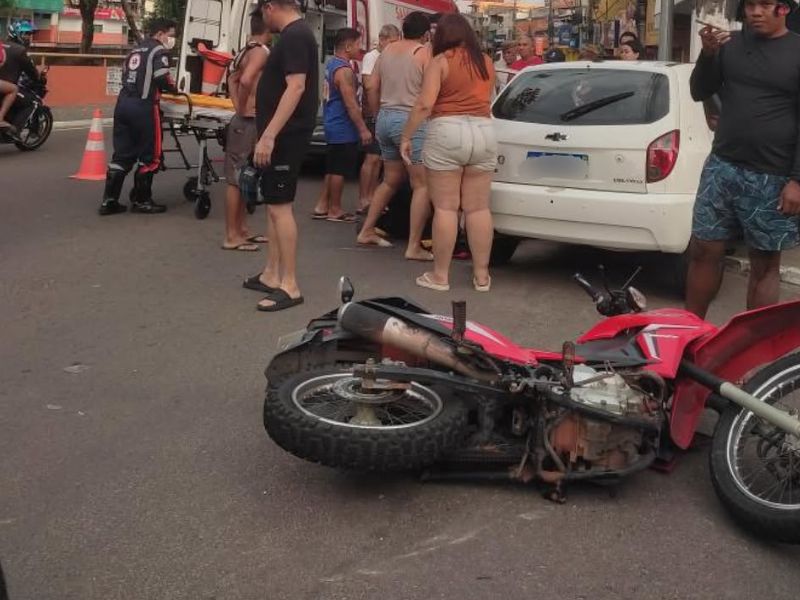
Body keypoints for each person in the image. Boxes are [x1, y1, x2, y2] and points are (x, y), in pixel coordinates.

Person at [686, 0, 800, 318]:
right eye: (750, 4)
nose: (755, 12)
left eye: (765, 4)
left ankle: (752, 352)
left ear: (785, 9)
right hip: (722, 167)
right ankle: (691, 338)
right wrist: (707, 54)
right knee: (703, 250)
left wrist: (797, 180)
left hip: (773, 176)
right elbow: (699, 90)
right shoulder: (729, 45)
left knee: (764, 262)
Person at [400, 13, 496, 292]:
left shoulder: (440, 62)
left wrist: (407, 136)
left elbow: (424, 105)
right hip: (483, 131)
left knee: (446, 207)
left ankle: (440, 276)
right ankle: (481, 275)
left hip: (447, 130)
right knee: (478, 207)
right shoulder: (486, 63)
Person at [244, 0, 318, 312]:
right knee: (274, 207)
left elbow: (296, 87)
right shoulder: (294, 35)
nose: (263, 20)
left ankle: (290, 284)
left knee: (280, 208)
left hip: (285, 136)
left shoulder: (295, 35)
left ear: (271, 6)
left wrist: (270, 134)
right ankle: (272, 273)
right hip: (281, 135)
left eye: (262, 12)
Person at [356, 11, 433, 262]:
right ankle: (414, 245)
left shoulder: (386, 51)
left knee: (389, 180)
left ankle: (367, 229)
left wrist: (378, 113)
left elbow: (370, 85)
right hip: (410, 120)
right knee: (421, 185)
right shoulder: (424, 53)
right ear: (426, 34)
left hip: (385, 118)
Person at [98, 18, 178, 216]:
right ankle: (142, 200)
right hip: (144, 108)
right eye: (171, 35)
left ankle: (109, 201)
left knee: (122, 155)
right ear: (160, 34)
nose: (171, 39)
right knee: (150, 155)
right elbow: (162, 77)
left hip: (123, 105)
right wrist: (174, 89)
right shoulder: (158, 50)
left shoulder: (133, 51)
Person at [312, 27, 372, 222]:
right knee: (339, 169)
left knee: (332, 166)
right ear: (347, 46)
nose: (359, 48)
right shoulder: (344, 71)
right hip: (342, 125)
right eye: (357, 44)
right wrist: (363, 128)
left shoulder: (332, 64)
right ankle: (335, 209)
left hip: (332, 121)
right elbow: (350, 103)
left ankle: (322, 205)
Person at [222, 14, 271, 251]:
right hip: (248, 120)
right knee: (236, 178)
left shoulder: (245, 50)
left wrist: (238, 107)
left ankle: (242, 230)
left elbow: (232, 80)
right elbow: (245, 80)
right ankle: (232, 236)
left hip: (247, 118)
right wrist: (243, 108)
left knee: (245, 176)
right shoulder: (260, 51)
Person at [357, 24, 400, 214]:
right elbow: (368, 85)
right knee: (372, 158)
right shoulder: (372, 57)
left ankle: (373, 197)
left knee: (380, 159)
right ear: (382, 40)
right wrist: (374, 114)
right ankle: (363, 198)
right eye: (391, 42)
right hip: (374, 112)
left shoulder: (390, 57)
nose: (393, 46)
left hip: (384, 111)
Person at [0, 21, 40, 130]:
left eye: (29, 34)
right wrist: (38, 78)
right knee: (32, 102)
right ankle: (13, 130)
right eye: (26, 34)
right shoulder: (20, 51)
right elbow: (31, 72)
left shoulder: (2, 44)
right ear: (16, 33)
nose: (28, 37)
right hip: (5, 88)